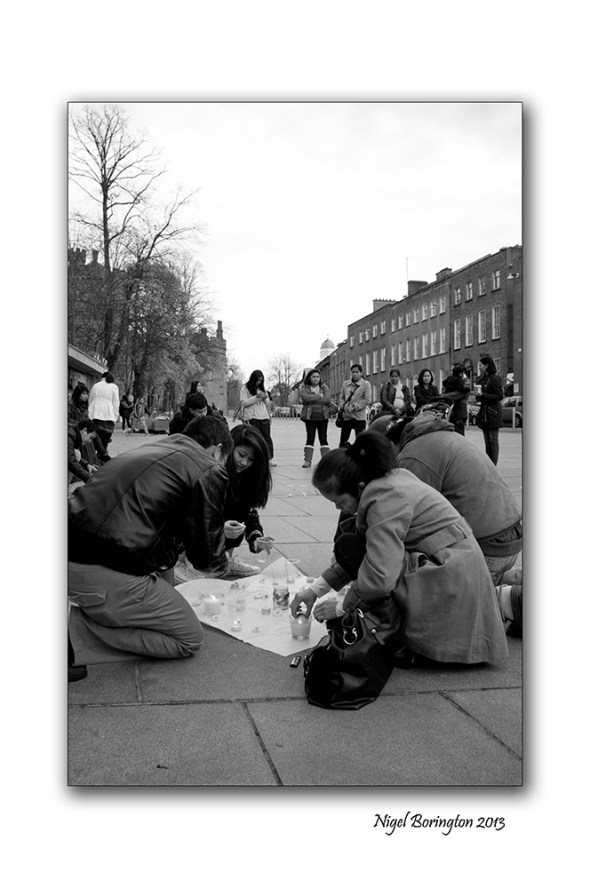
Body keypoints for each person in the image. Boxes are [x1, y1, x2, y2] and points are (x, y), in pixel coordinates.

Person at [290, 431, 508, 667]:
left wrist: (343, 608)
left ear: (359, 486)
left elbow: (380, 573)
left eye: (340, 502)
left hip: (448, 578)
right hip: (452, 570)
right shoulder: (391, 480)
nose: (337, 508)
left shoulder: (383, 497)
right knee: (352, 543)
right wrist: (315, 590)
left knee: (349, 545)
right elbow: (370, 553)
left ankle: (406, 638)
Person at [68, 415, 234, 665]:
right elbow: (206, 560)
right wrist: (223, 555)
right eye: (227, 459)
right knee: (189, 638)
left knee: (167, 583)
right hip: (102, 569)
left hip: (70, 550)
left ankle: (105, 611)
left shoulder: (154, 448)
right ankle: (76, 633)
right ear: (218, 450)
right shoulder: (208, 467)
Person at [369, 411, 523, 636]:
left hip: (488, 546)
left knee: (424, 605)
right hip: (508, 537)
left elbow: (400, 523)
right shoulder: (439, 436)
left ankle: (502, 599)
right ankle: (500, 583)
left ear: (389, 446)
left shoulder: (412, 457)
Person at [223, 423, 275, 576]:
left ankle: (226, 558)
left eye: (251, 459)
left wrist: (256, 538)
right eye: (241, 454)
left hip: (219, 539)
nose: (245, 463)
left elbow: (249, 514)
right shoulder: (213, 475)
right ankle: (188, 563)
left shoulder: (246, 478)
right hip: (196, 539)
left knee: (237, 518)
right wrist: (219, 527)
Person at [239, 370, 276, 466]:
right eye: (257, 380)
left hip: (264, 417)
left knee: (267, 438)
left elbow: (267, 403)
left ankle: (269, 459)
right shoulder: (245, 388)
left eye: (261, 381)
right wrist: (256, 397)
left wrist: (269, 415)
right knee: (255, 438)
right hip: (252, 417)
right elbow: (244, 403)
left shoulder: (262, 388)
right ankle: (255, 459)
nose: (259, 382)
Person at [68, 382, 110, 463]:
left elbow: (87, 419)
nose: (86, 396)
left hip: (83, 428)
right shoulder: (71, 406)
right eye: (84, 394)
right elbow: (68, 419)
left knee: (94, 432)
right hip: (76, 429)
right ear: (78, 394)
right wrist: (80, 422)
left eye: (87, 394)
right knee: (89, 436)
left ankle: (98, 457)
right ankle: (102, 454)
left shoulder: (84, 407)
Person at [300, 367, 332, 468]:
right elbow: (305, 398)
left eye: (318, 377)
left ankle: (326, 460)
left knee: (323, 438)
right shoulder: (305, 388)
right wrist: (319, 396)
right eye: (314, 377)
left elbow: (327, 399)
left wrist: (312, 399)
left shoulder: (324, 387)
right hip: (310, 416)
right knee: (310, 438)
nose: (316, 378)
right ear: (309, 378)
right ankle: (307, 461)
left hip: (323, 416)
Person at [475, 357, 504, 465]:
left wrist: (483, 395)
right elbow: (481, 397)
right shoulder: (481, 379)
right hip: (484, 413)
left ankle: (493, 465)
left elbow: (499, 396)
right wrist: (478, 396)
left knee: (493, 440)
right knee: (487, 441)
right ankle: (489, 464)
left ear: (487, 366)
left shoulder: (494, 379)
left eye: (481, 365)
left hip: (493, 413)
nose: (479, 367)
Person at [337, 363, 373, 447]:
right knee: (343, 440)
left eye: (357, 372)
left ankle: (360, 458)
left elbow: (367, 399)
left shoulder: (366, 384)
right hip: (346, 416)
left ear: (361, 373)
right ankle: (341, 456)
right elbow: (341, 396)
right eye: (353, 372)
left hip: (359, 416)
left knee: (360, 441)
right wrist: (342, 405)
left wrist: (356, 406)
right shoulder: (345, 384)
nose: (354, 374)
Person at [88, 371, 120, 452]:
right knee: (105, 441)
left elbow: (90, 401)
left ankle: (98, 455)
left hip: (95, 415)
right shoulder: (114, 387)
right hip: (108, 416)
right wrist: (115, 417)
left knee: (95, 438)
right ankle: (102, 454)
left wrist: (90, 413)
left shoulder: (95, 386)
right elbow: (116, 403)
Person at [68, 419, 100, 485]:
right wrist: (89, 478)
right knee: (76, 454)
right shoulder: (68, 436)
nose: (90, 441)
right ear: (85, 431)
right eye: (91, 437)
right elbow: (71, 461)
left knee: (76, 454)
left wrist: (86, 465)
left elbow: (70, 455)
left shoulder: (73, 434)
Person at [441, 364, 470, 435]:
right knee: (457, 434)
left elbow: (456, 394)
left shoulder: (449, 380)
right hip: (458, 411)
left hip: (453, 411)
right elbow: (459, 393)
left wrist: (444, 396)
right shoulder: (463, 382)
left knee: (454, 434)